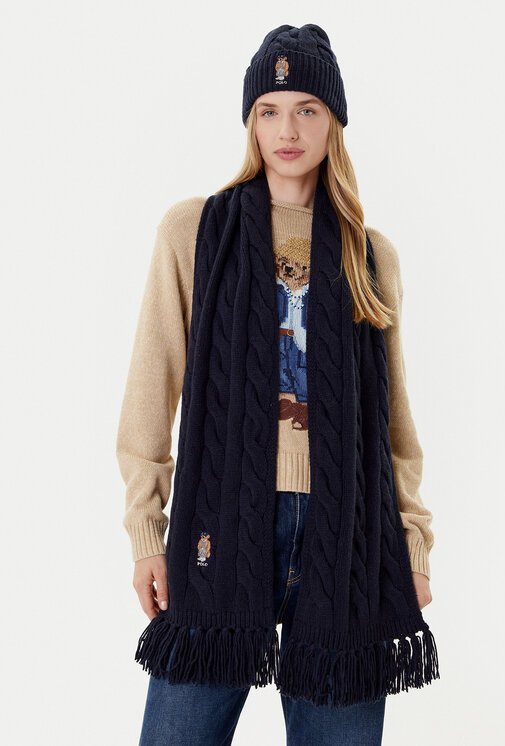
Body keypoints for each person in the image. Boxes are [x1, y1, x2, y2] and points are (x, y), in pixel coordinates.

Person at [116, 23, 437, 746]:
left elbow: (395, 425)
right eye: (269, 110)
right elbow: (150, 390)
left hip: (347, 536)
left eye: (306, 110)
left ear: (334, 122)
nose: (287, 130)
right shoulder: (195, 231)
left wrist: (412, 545)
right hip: (220, 525)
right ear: (251, 121)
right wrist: (145, 530)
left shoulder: (368, 255)